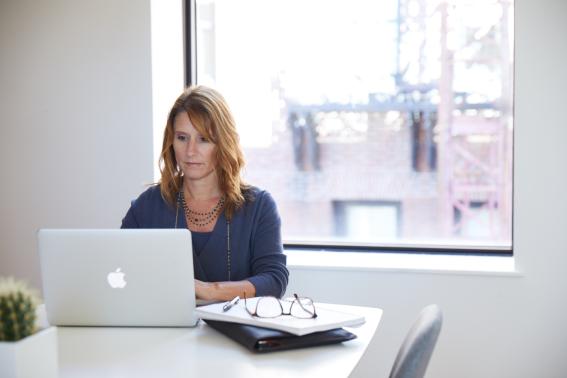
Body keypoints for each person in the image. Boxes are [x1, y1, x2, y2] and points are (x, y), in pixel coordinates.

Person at [121, 85, 289, 301]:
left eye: (204, 139)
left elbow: (274, 280)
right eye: (182, 138)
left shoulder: (258, 206)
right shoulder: (147, 206)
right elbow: (119, 271)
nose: (190, 151)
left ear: (223, 143)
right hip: (163, 332)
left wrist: (211, 290)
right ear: (171, 142)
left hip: (235, 335)